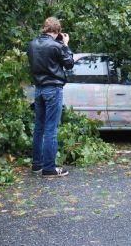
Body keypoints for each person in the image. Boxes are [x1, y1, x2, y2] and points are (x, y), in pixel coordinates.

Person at [27, 17, 75, 177]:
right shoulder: (56, 46)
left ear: (44, 29)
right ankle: (49, 168)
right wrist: (66, 44)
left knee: (39, 128)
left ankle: (37, 165)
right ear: (58, 31)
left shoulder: (32, 45)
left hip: (39, 90)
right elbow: (69, 63)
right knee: (50, 130)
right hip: (53, 89)